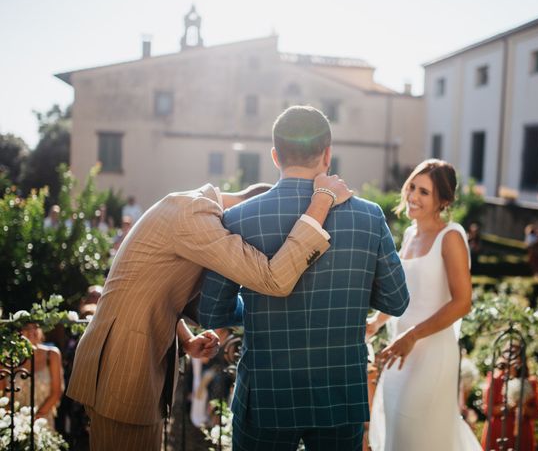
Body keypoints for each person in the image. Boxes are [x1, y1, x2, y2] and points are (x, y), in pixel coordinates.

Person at [66, 174, 351, 451]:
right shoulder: (194, 213)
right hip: (124, 364)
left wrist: (187, 339)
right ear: (251, 210)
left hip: (130, 360)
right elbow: (272, 278)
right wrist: (321, 202)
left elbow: (152, 290)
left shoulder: (190, 208)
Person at [199, 105, 409, 451]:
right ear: (328, 155)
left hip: (266, 395)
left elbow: (212, 313)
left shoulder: (237, 218)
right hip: (339, 394)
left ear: (275, 155)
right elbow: (397, 301)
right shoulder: (369, 216)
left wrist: (253, 300)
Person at [367, 159, 480, 451]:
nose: (413, 196)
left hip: (432, 354)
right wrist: (375, 323)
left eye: (424, 192)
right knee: (396, 429)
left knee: (417, 433)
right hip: (400, 351)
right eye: (412, 187)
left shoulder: (450, 236)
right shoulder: (409, 235)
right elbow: (404, 294)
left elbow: (462, 303)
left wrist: (413, 335)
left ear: (443, 200)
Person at [480, 344, 538, 451]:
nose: (511, 357)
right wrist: (510, 405)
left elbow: (536, 413)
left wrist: (523, 407)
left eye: (515, 354)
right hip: (498, 430)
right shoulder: (495, 379)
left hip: (523, 431)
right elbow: (487, 409)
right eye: (508, 353)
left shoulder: (530, 382)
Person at [5, 323, 64, 429]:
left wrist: (36, 419)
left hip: (42, 421)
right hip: (13, 422)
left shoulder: (52, 354)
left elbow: (56, 392)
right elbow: (2, 394)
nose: (32, 331)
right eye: (26, 328)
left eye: (36, 327)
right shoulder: (7, 358)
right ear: (17, 333)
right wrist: (16, 420)